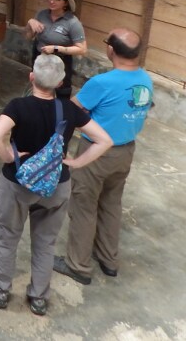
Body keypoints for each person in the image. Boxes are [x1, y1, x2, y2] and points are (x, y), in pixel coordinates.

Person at [0, 54, 112, 316]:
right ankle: (39, 297)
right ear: (61, 81)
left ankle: (0, 290)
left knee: (7, 237)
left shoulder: (18, 106)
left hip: (18, 184)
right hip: (57, 184)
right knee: (45, 243)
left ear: (31, 77)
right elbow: (104, 140)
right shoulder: (69, 109)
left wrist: (9, 156)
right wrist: (76, 163)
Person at [54, 28, 154, 286]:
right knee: (111, 204)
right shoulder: (146, 79)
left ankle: (78, 265)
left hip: (95, 154)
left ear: (111, 50)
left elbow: (73, 112)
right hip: (126, 152)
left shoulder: (102, 82)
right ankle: (108, 260)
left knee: (83, 207)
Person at [25, 0, 87, 98]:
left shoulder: (72, 22)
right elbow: (29, 37)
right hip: (39, 57)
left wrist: (56, 48)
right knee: (39, 89)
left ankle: (59, 113)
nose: (52, 1)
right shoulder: (41, 14)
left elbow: (82, 50)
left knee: (61, 91)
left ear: (65, 3)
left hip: (60, 60)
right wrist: (30, 22)